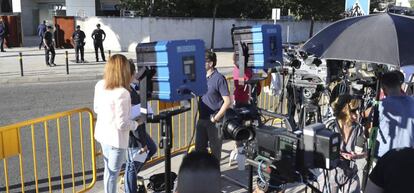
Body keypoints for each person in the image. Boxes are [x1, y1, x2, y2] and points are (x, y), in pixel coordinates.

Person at [94, 54, 142, 193]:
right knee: (112, 174)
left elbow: (97, 108)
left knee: (108, 172)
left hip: (103, 135)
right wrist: (136, 123)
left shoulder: (100, 85)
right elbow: (122, 124)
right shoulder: (123, 92)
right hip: (116, 139)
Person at [124, 60, 157, 193]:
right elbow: (132, 119)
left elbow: (139, 80)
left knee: (152, 149)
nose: (135, 75)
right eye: (134, 72)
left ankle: (130, 176)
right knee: (132, 165)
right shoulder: (126, 92)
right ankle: (130, 187)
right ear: (129, 74)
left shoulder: (130, 86)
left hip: (138, 130)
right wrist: (142, 143)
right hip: (135, 135)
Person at [195, 50, 231, 161]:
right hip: (202, 119)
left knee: (215, 152)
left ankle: (215, 175)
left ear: (210, 64)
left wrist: (216, 118)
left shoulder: (219, 78)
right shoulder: (201, 77)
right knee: (199, 150)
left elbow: (227, 101)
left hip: (214, 121)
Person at [327, 94, 367, 193]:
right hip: (331, 174)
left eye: (358, 110)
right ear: (345, 111)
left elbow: (365, 152)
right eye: (353, 111)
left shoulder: (357, 128)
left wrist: (357, 156)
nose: (357, 114)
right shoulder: (330, 127)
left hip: (350, 173)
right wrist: (337, 154)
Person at [376, 71, 414, 157]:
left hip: (386, 157)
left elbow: (370, 132)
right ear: (400, 85)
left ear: (384, 88)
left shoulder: (381, 106)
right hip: (409, 158)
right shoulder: (412, 103)